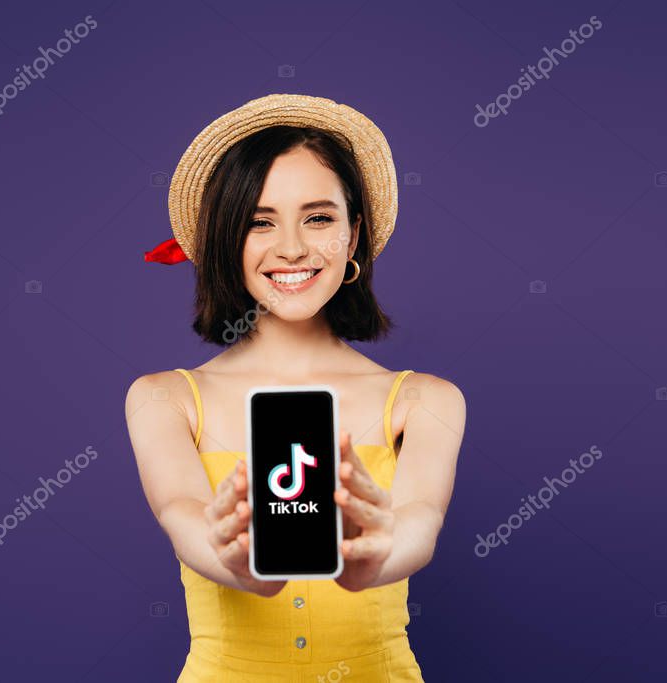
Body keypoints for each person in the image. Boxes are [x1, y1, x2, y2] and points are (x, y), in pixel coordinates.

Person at [125, 94, 465, 681]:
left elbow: (420, 520)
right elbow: (182, 516)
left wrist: (378, 556)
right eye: (260, 222)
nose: (292, 248)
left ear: (353, 235)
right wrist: (241, 567)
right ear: (226, 240)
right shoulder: (163, 398)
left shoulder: (426, 401)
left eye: (319, 217)